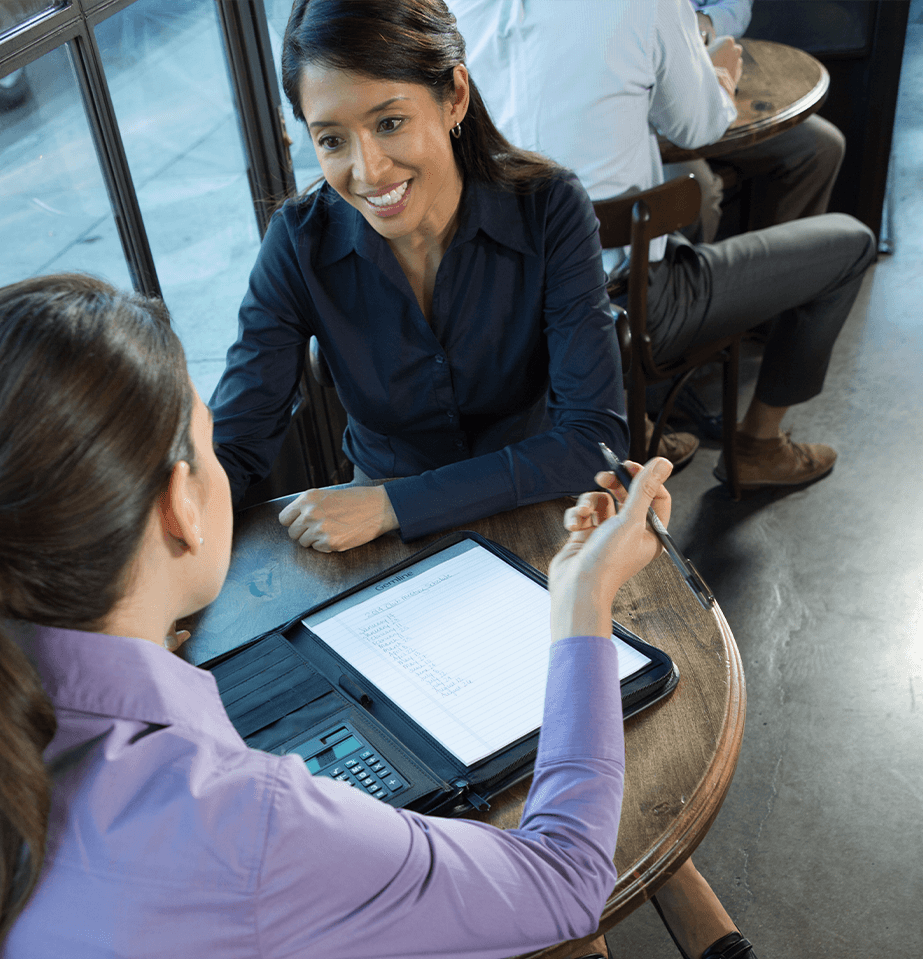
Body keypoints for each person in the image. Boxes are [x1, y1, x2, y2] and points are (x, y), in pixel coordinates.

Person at [0, 271, 682, 959]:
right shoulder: (228, 820)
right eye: (208, 446)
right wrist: (582, 595)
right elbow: (567, 881)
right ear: (179, 505)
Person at [209, 0, 703, 558]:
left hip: (534, 511)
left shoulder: (549, 207)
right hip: (374, 534)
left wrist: (397, 503)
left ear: (455, 97)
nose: (367, 171)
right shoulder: (298, 242)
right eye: (332, 140)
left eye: (389, 123)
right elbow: (234, 441)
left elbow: (591, 440)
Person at [451, 0, 876, 493]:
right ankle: (759, 444)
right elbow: (699, 127)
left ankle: (641, 426)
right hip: (625, 308)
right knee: (853, 242)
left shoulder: (445, 12)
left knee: (687, 196)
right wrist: (719, 74)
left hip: (494, 309)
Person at [677, 0, 847, 242]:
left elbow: (736, 8)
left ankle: (773, 269)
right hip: (652, 119)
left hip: (710, 81)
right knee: (694, 193)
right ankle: (699, 277)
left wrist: (702, 24)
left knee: (822, 147)